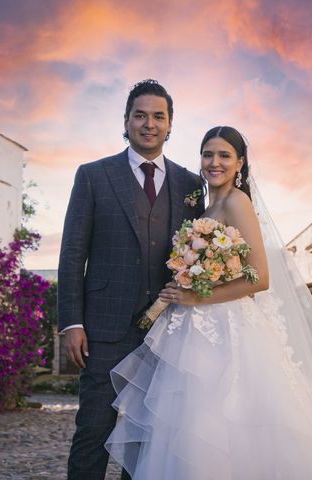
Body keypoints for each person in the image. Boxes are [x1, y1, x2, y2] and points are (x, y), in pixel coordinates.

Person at [105, 126, 312, 479]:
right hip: (195, 328)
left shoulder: (238, 202)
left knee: (225, 422)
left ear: (240, 163)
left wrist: (195, 295)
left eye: (224, 155)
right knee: (189, 425)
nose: (214, 162)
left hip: (228, 330)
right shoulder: (209, 205)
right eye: (208, 154)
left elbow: (259, 278)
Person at [57, 79, 205, 480]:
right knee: (92, 431)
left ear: (171, 124)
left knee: (149, 437)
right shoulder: (93, 176)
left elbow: (200, 256)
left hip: (166, 333)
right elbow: (73, 254)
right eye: (140, 115)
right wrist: (71, 323)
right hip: (103, 330)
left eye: (159, 116)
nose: (149, 123)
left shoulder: (192, 185)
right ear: (126, 121)